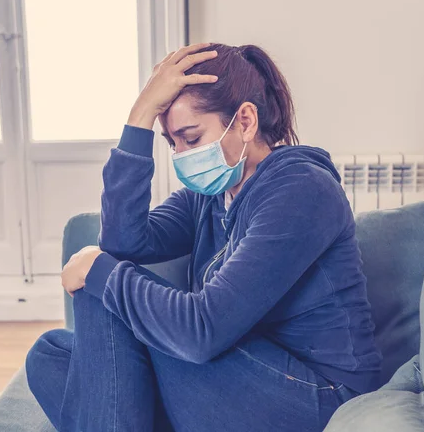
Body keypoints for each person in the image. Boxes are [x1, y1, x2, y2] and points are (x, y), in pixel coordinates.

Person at [25, 42, 382, 432]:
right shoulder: (209, 197)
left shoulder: (302, 189)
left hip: (319, 396)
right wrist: (140, 116)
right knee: (50, 354)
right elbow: (124, 243)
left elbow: (202, 331)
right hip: (240, 373)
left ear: (245, 121)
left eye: (191, 138)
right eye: (172, 143)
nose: (180, 155)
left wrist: (98, 270)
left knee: (105, 293)